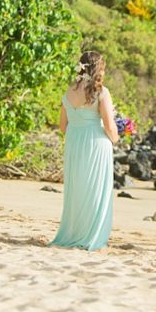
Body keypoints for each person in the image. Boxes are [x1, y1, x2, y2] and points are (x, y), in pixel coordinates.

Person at [50, 51, 119, 251]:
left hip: (74, 143)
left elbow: (63, 127)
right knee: (96, 190)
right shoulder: (101, 92)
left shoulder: (68, 92)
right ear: (98, 69)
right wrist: (115, 138)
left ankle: (73, 233)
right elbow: (108, 125)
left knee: (77, 190)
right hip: (96, 143)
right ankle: (92, 236)